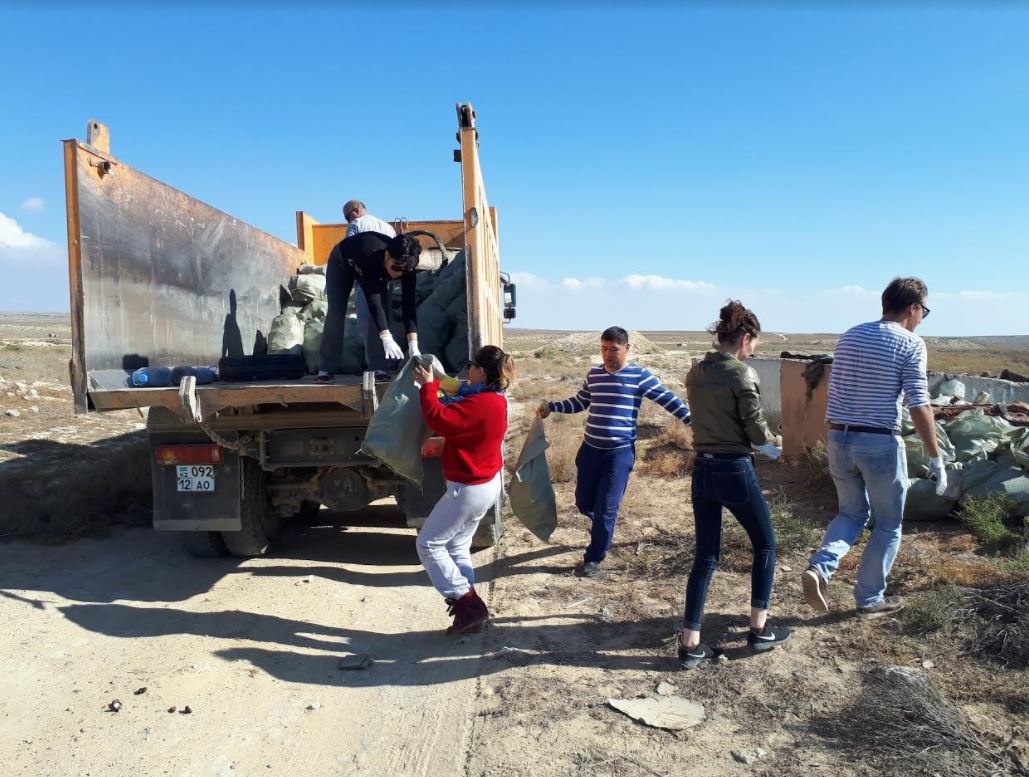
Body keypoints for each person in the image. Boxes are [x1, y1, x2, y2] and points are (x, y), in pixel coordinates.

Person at [802, 277, 946, 619]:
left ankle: (821, 567)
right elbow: (919, 403)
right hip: (879, 442)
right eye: (924, 311)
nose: (922, 318)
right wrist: (935, 457)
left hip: (839, 438)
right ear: (913, 308)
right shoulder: (911, 343)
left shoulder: (850, 335)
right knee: (888, 524)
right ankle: (869, 599)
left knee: (850, 514)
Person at [677, 301, 789, 670]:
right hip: (734, 469)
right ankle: (759, 629)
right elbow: (756, 432)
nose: (753, 350)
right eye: (753, 343)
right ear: (744, 338)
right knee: (765, 545)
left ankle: (690, 644)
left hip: (702, 468)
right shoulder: (742, 374)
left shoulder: (696, 372)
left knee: (706, 557)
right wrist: (775, 443)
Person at [540, 327, 691, 577]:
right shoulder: (594, 375)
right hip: (590, 451)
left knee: (607, 510)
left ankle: (594, 558)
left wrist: (694, 421)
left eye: (614, 349)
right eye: (604, 349)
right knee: (583, 502)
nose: (608, 354)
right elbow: (580, 402)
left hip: (618, 454)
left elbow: (668, 399)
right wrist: (552, 407)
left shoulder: (640, 376)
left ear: (627, 348)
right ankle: (601, 524)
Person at [412, 346, 514, 634]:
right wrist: (440, 380)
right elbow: (462, 394)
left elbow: (439, 419)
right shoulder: (496, 398)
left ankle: (468, 603)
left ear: (481, 371)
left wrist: (428, 387)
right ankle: (469, 613)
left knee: (428, 544)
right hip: (486, 485)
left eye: (471, 366)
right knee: (457, 545)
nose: (467, 371)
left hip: (468, 489)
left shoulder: (479, 404)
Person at [317, 232, 421, 381]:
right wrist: (386, 337)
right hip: (342, 262)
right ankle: (327, 367)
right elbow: (373, 301)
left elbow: (409, 306)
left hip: (374, 267)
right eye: (396, 268)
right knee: (336, 312)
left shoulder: (407, 267)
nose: (399, 274)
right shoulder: (370, 255)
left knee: (384, 311)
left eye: (405, 271)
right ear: (387, 256)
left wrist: (413, 344)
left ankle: (378, 367)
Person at [342, 200, 397, 341]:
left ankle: (371, 353)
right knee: (385, 318)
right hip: (387, 281)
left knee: (367, 325)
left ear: (357, 210)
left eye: (348, 216)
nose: (348, 220)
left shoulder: (356, 224)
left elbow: (348, 253)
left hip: (366, 280)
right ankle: (388, 352)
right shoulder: (388, 227)